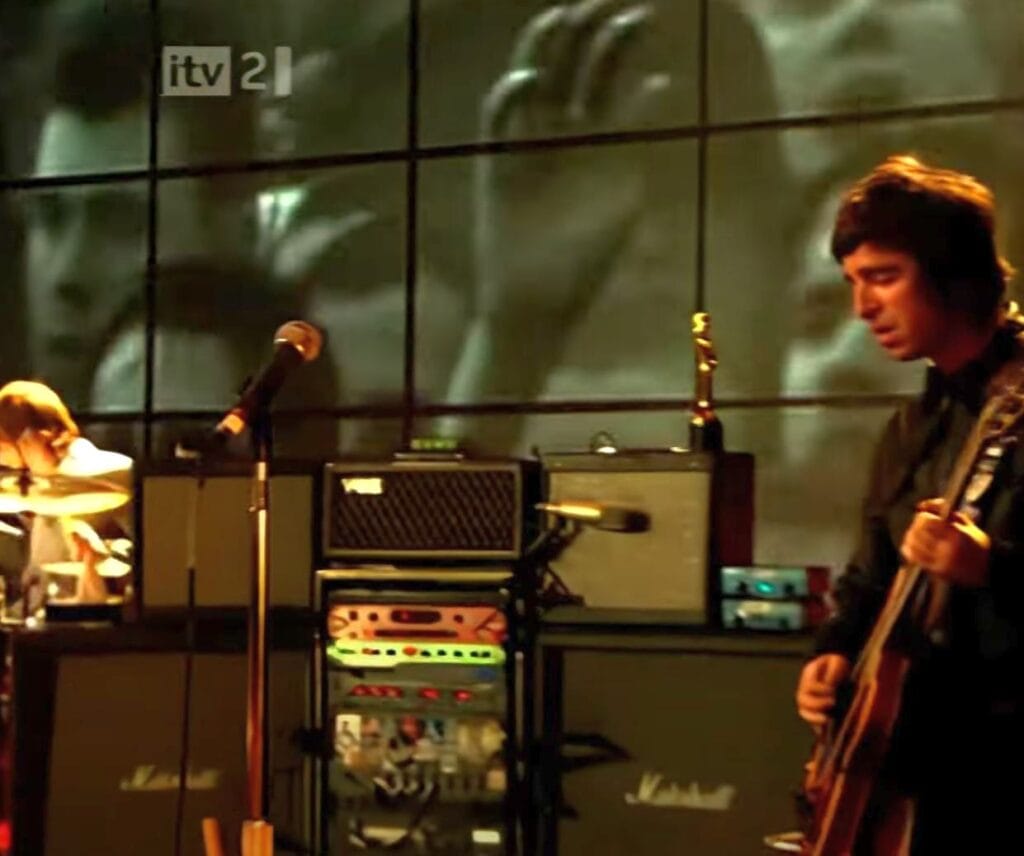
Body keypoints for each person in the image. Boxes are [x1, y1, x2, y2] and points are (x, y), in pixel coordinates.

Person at [795, 155, 1024, 852]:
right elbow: (869, 579)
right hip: (919, 778)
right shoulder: (910, 429)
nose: (862, 308)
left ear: (954, 277)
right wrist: (833, 652)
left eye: (883, 278)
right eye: (852, 283)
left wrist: (993, 570)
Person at [0, 380, 132, 614]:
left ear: (35, 436)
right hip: (45, 618)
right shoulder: (41, 488)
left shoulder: (109, 475)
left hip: (88, 626)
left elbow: (157, 559)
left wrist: (103, 554)